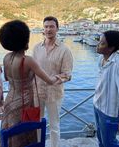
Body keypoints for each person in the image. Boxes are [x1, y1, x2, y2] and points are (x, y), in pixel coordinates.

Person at [0, 20, 58, 147]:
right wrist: (61, 76)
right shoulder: (28, 60)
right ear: (24, 39)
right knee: (23, 136)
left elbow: (7, 78)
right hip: (24, 103)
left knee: (11, 135)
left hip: (10, 101)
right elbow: (50, 81)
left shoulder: (6, 57)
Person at [33, 16, 73, 147]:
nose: (48, 29)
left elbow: (67, 74)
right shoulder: (36, 48)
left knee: (54, 125)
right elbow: (33, 70)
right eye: (46, 27)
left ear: (57, 28)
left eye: (51, 26)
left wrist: (53, 79)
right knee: (37, 123)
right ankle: (38, 145)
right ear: (43, 29)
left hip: (54, 94)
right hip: (37, 92)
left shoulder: (65, 50)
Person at [93, 30, 119, 147]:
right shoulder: (101, 59)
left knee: (109, 143)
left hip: (109, 112)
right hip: (97, 106)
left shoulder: (118, 64)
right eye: (99, 41)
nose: (98, 44)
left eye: (102, 43)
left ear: (111, 48)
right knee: (101, 140)